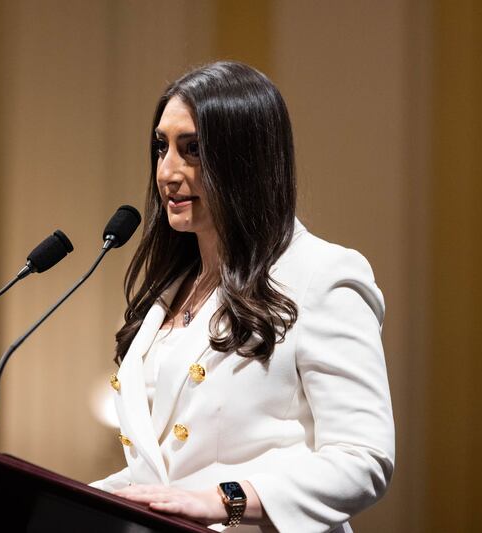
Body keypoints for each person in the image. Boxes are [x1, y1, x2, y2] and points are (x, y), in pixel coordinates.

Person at [91, 61, 394, 533]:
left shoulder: (323, 275)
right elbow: (165, 474)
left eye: (191, 150)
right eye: (161, 147)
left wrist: (225, 500)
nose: (167, 172)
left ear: (244, 158)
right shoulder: (170, 292)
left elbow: (363, 459)